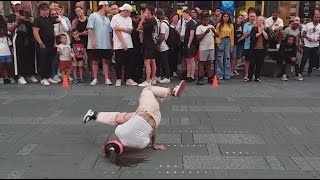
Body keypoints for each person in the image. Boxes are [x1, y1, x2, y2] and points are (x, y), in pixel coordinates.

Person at [83, 80, 186, 167]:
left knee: (123, 118)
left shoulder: (141, 145)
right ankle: (171, 91)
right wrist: (107, 150)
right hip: (145, 110)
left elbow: (152, 130)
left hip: (155, 119)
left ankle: (94, 115)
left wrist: (154, 144)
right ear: (111, 141)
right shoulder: (119, 131)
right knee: (147, 89)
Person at [7, 1, 37, 85]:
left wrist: (25, 19)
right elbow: (9, 29)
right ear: (12, 6)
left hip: (29, 38)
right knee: (19, 57)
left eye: (19, 4)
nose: (18, 6)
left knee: (30, 56)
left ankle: (30, 74)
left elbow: (34, 24)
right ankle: (20, 75)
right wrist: (16, 22)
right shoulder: (10, 17)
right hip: (18, 38)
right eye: (15, 5)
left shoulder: (27, 14)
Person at [110, 3, 138, 87]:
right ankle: (119, 78)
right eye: (129, 12)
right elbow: (116, 31)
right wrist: (123, 43)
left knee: (129, 62)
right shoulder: (115, 18)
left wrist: (120, 28)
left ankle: (128, 78)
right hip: (119, 44)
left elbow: (130, 30)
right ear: (125, 11)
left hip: (129, 43)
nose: (130, 14)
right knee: (119, 62)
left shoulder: (129, 19)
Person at [86, 1, 113, 86]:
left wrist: (110, 43)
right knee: (95, 61)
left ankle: (106, 78)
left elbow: (109, 32)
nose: (108, 8)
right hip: (96, 43)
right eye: (107, 6)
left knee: (105, 61)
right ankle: (95, 78)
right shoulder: (93, 16)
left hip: (105, 44)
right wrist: (92, 41)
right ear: (103, 6)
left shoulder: (107, 19)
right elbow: (89, 28)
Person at [33, 3, 59, 86]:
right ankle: (43, 78)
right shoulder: (37, 20)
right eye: (44, 10)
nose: (47, 12)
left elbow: (53, 32)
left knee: (49, 60)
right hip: (42, 44)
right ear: (40, 11)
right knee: (43, 61)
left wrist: (55, 42)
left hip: (51, 43)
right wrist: (40, 42)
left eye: (47, 10)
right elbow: (35, 32)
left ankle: (48, 76)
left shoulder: (50, 19)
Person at [137, 5, 158, 87]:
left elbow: (139, 27)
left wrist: (142, 18)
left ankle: (148, 80)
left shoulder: (151, 21)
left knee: (147, 62)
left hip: (149, 44)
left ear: (149, 11)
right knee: (152, 61)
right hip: (153, 43)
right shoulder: (154, 20)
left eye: (146, 11)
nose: (144, 13)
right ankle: (153, 78)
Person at [196, 13, 218, 85]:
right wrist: (205, 32)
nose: (206, 21)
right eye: (205, 20)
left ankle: (209, 77)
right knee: (201, 63)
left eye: (207, 20)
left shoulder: (211, 26)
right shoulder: (199, 27)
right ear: (202, 20)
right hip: (203, 48)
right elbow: (198, 38)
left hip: (211, 47)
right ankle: (200, 77)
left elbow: (217, 35)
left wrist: (213, 31)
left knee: (209, 63)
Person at [245, 16, 270, 82]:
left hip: (262, 49)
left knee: (259, 64)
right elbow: (252, 37)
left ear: (263, 21)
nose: (259, 22)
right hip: (254, 49)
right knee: (252, 63)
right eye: (258, 20)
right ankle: (249, 77)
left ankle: (257, 77)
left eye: (261, 20)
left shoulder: (266, 29)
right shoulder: (254, 28)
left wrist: (263, 30)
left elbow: (267, 38)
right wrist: (259, 33)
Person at [299, 13, 320, 78]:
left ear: (319, 19)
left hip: (315, 45)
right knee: (304, 58)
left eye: (317, 17)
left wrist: (318, 38)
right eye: (315, 17)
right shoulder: (308, 25)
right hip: (307, 45)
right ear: (313, 18)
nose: (316, 18)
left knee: (312, 60)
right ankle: (300, 71)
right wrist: (307, 38)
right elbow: (303, 34)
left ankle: (309, 72)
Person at [215, 12, 234, 80]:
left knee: (227, 58)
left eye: (227, 16)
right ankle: (220, 74)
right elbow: (216, 35)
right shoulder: (219, 25)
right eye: (224, 16)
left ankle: (227, 74)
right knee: (220, 58)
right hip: (221, 41)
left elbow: (232, 36)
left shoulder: (231, 25)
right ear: (222, 17)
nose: (226, 18)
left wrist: (232, 46)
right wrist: (218, 44)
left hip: (228, 41)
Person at [181, 9, 197, 82]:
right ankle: (188, 75)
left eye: (184, 14)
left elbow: (192, 34)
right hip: (186, 43)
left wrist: (189, 44)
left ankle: (192, 75)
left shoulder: (191, 23)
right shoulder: (187, 23)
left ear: (187, 14)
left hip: (190, 44)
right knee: (187, 60)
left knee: (191, 60)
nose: (183, 16)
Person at [242, 11, 256, 81]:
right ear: (248, 17)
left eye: (253, 16)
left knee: (254, 61)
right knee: (247, 61)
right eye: (251, 17)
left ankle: (253, 74)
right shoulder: (246, 25)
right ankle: (247, 74)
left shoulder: (258, 24)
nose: (252, 18)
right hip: (247, 45)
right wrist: (252, 30)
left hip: (255, 46)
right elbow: (244, 35)